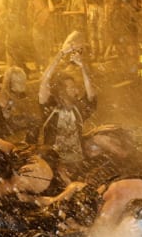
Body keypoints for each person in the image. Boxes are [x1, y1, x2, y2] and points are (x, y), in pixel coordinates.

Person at [38, 34, 97, 168]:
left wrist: (83, 67)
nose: (76, 89)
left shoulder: (78, 109)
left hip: (76, 161)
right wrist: (61, 54)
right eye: (71, 87)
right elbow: (44, 80)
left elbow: (91, 93)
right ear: (61, 91)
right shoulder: (50, 107)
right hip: (52, 163)